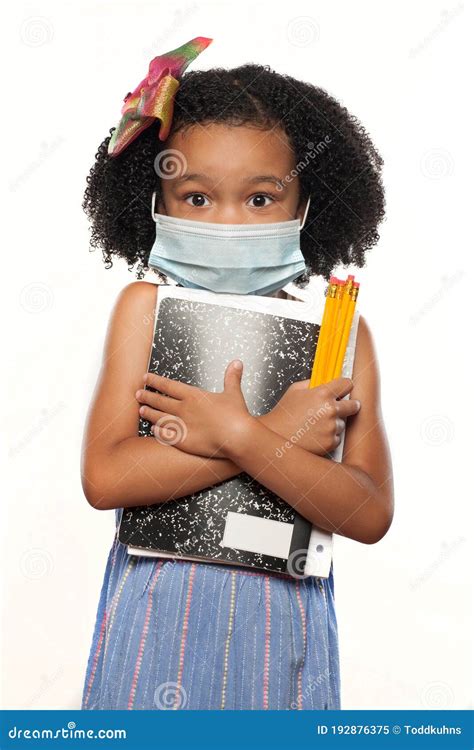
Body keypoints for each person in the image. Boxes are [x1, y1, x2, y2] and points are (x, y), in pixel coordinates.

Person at [80, 37, 394, 710]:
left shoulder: (339, 333)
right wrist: (264, 436)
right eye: (196, 197)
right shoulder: (144, 310)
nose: (226, 220)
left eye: (259, 200)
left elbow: (368, 512)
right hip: (156, 618)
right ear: (155, 201)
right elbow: (107, 477)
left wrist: (238, 436)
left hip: (286, 633)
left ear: (307, 205)